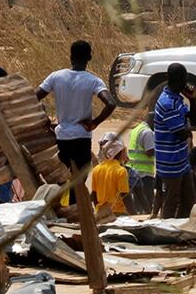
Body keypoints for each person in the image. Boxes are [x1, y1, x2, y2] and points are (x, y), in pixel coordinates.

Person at [37, 40, 116, 176]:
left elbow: (34, 97)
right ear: (89, 58)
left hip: (61, 137)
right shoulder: (93, 80)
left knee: (61, 181)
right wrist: (95, 122)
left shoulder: (56, 76)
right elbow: (111, 103)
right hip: (82, 138)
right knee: (78, 183)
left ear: (71, 57)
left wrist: (44, 120)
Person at [150, 64, 196, 219]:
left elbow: (194, 120)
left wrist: (192, 100)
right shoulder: (168, 103)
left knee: (188, 199)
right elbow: (180, 134)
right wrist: (189, 130)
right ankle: (167, 234)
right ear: (180, 79)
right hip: (170, 162)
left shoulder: (177, 99)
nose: (187, 82)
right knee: (171, 202)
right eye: (185, 78)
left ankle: (178, 228)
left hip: (181, 160)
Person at [90, 133, 130, 216]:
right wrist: (134, 214)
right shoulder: (121, 171)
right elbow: (124, 195)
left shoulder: (96, 169)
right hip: (118, 212)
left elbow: (94, 195)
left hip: (102, 213)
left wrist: (98, 210)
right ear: (119, 153)